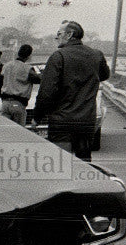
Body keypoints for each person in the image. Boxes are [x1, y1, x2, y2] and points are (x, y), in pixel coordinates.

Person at [33, 20, 109, 160]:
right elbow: (105, 75)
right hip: (86, 120)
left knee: (62, 164)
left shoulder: (58, 56)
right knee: (85, 164)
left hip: (62, 121)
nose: (57, 37)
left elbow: (47, 92)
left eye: (59, 33)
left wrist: (37, 117)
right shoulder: (96, 55)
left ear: (69, 34)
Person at [0, 44, 41, 126]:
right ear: (29, 56)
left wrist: (1, 96)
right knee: (19, 133)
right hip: (18, 103)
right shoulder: (27, 69)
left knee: (5, 132)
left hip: (5, 103)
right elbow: (39, 80)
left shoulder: (6, 65)